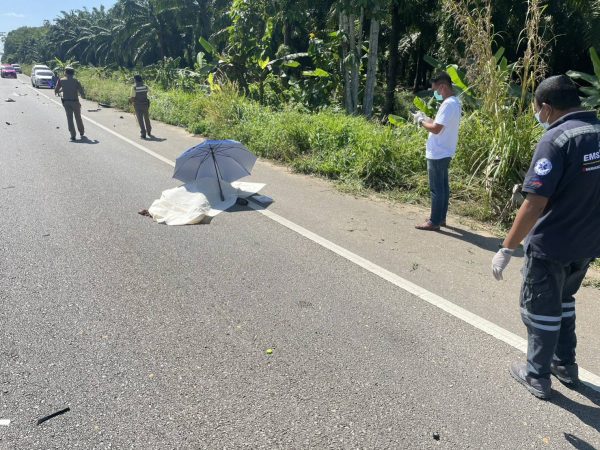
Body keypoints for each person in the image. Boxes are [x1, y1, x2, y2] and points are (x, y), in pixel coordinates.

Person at [491, 75, 600, 400]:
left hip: (552, 243)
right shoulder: (596, 134)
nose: (537, 114)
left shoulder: (557, 140)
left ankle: (536, 374)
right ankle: (565, 365)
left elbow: (535, 201)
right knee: (564, 302)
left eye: (537, 109)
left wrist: (507, 248)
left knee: (539, 308)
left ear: (547, 107)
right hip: (587, 243)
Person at [412, 72, 462, 231]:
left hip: (438, 152)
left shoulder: (448, 104)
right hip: (445, 150)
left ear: (443, 86)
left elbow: (436, 129)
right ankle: (441, 218)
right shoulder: (455, 102)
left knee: (436, 189)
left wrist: (421, 122)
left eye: (436, 90)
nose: (436, 93)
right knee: (443, 187)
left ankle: (434, 221)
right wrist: (426, 118)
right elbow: (438, 124)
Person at [54, 66, 85, 141]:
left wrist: (61, 90)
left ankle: (73, 135)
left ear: (66, 72)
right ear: (73, 73)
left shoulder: (61, 80)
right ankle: (81, 132)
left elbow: (56, 90)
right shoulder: (76, 81)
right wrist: (83, 96)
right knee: (78, 117)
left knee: (69, 118)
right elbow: (82, 93)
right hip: (75, 102)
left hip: (66, 102)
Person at [129, 75, 152, 139]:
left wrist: (130, 101)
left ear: (135, 80)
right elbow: (149, 93)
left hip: (138, 105)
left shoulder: (134, 87)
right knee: (146, 118)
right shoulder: (146, 86)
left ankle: (143, 133)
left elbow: (133, 98)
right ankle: (149, 131)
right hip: (145, 105)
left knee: (140, 120)